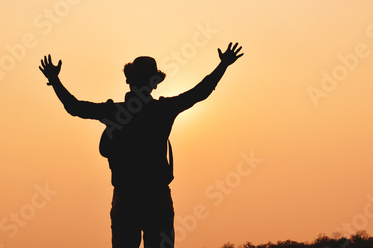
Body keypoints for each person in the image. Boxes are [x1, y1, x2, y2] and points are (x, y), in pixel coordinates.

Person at [39, 42, 243, 248]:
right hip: (157, 198)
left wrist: (54, 80)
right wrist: (223, 65)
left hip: (127, 198)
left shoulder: (115, 113)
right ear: (154, 83)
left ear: (128, 81)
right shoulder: (163, 110)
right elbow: (200, 92)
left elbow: (75, 107)